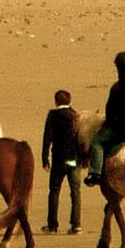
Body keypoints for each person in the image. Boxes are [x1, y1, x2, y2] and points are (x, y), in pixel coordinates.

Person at [84, 51, 125, 186]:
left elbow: (110, 114)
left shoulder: (118, 87)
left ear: (118, 68)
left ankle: (95, 173)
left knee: (97, 141)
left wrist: (109, 122)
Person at [41, 90, 83, 234]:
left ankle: (52, 225)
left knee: (54, 191)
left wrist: (44, 159)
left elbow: (47, 138)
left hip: (59, 160)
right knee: (75, 192)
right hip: (74, 160)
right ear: (69, 101)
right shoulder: (76, 116)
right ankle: (76, 224)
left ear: (56, 101)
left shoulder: (53, 115)